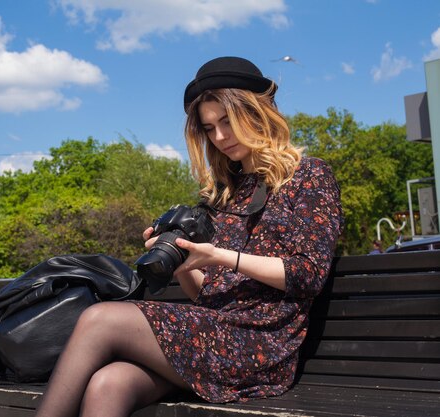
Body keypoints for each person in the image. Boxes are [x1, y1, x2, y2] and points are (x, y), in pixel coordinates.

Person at [35, 56, 343, 417]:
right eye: (210, 128)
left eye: (227, 122)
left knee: (100, 319)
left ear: (258, 112)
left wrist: (220, 256)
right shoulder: (223, 194)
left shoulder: (309, 176)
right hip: (213, 334)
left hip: (260, 345)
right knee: (109, 383)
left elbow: (308, 274)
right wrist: (183, 258)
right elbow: (206, 294)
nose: (220, 137)